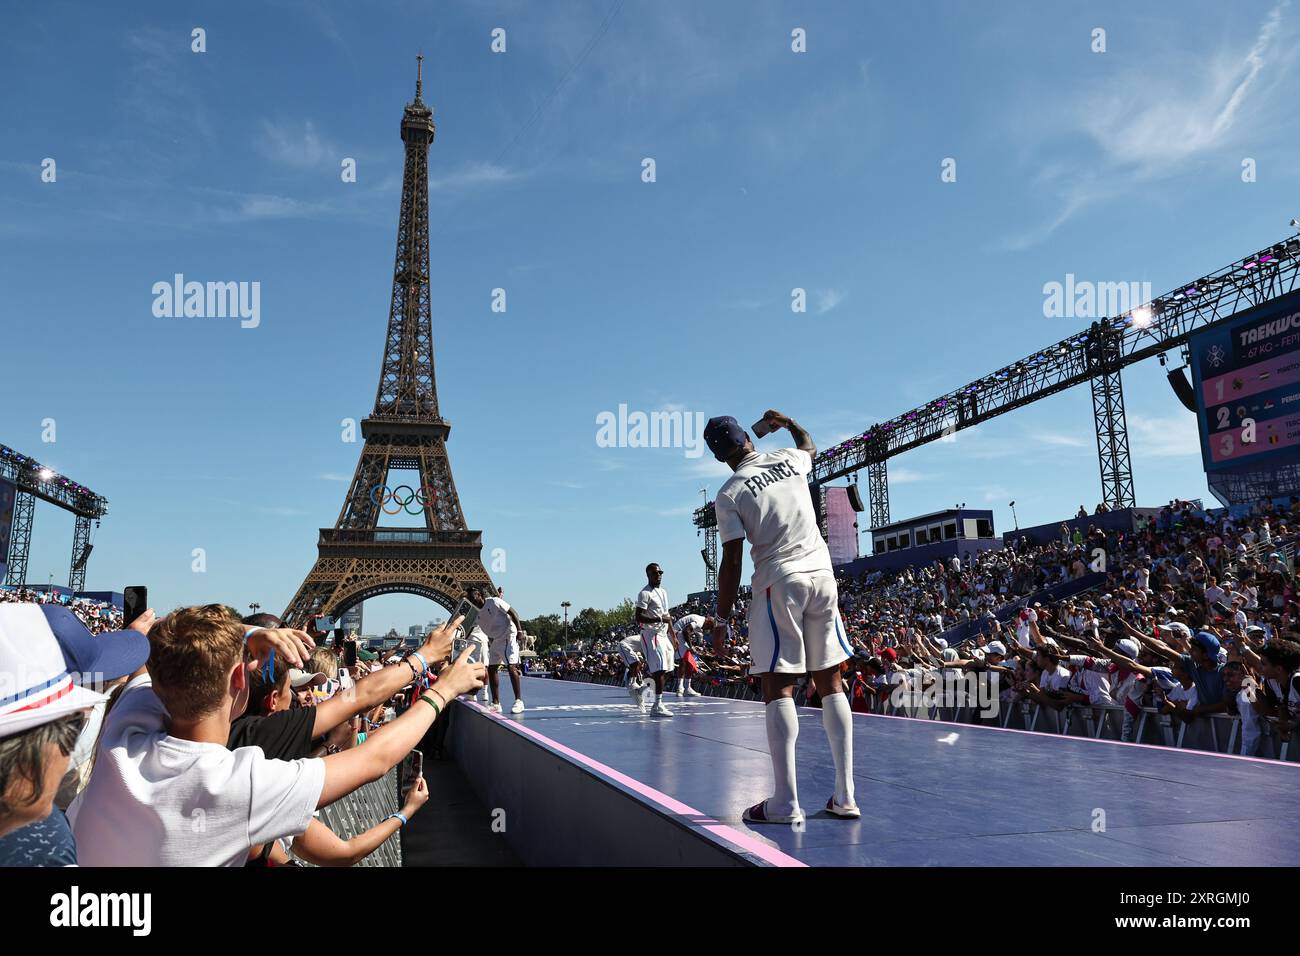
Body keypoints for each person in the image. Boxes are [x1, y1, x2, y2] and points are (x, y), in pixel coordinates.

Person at [69, 605, 484, 866]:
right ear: (237, 678)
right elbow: (373, 758)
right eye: (247, 664)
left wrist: (246, 637)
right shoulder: (240, 786)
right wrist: (443, 687)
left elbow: (154, 652)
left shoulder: (123, 729)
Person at [706, 410, 858, 825]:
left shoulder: (730, 492)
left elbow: (732, 560)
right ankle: (845, 796)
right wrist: (787, 421)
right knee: (831, 681)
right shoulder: (790, 458)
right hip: (823, 576)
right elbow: (811, 444)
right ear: (749, 439)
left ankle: (785, 803)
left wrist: (721, 621)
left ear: (721, 456)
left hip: (779, 581)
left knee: (778, 684)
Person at [468, 587, 525, 714]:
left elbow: (513, 612)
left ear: (479, 594)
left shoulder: (494, 601)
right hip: (496, 639)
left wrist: (520, 631)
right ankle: (496, 703)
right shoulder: (476, 613)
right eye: (469, 598)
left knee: (511, 667)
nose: (471, 599)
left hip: (508, 634)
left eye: (473, 596)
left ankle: (519, 701)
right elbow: (471, 628)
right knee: (491, 669)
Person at [635, 563, 676, 717]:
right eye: (655, 573)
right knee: (659, 669)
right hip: (651, 634)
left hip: (663, 634)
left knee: (667, 669)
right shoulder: (645, 593)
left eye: (660, 572)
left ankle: (641, 690)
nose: (658, 575)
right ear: (648, 575)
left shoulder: (664, 592)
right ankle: (657, 706)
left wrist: (672, 635)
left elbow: (667, 616)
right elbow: (638, 617)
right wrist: (659, 618)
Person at [672, 612, 711, 697]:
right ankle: (680, 688)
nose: (707, 629)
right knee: (683, 660)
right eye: (709, 627)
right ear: (708, 622)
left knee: (690, 663)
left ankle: (687, 687)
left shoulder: (700, 620)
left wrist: (692, 646)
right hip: (676, 635)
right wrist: (690, 647)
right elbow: (686, 631)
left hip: (679, 635)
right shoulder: (700, 622)